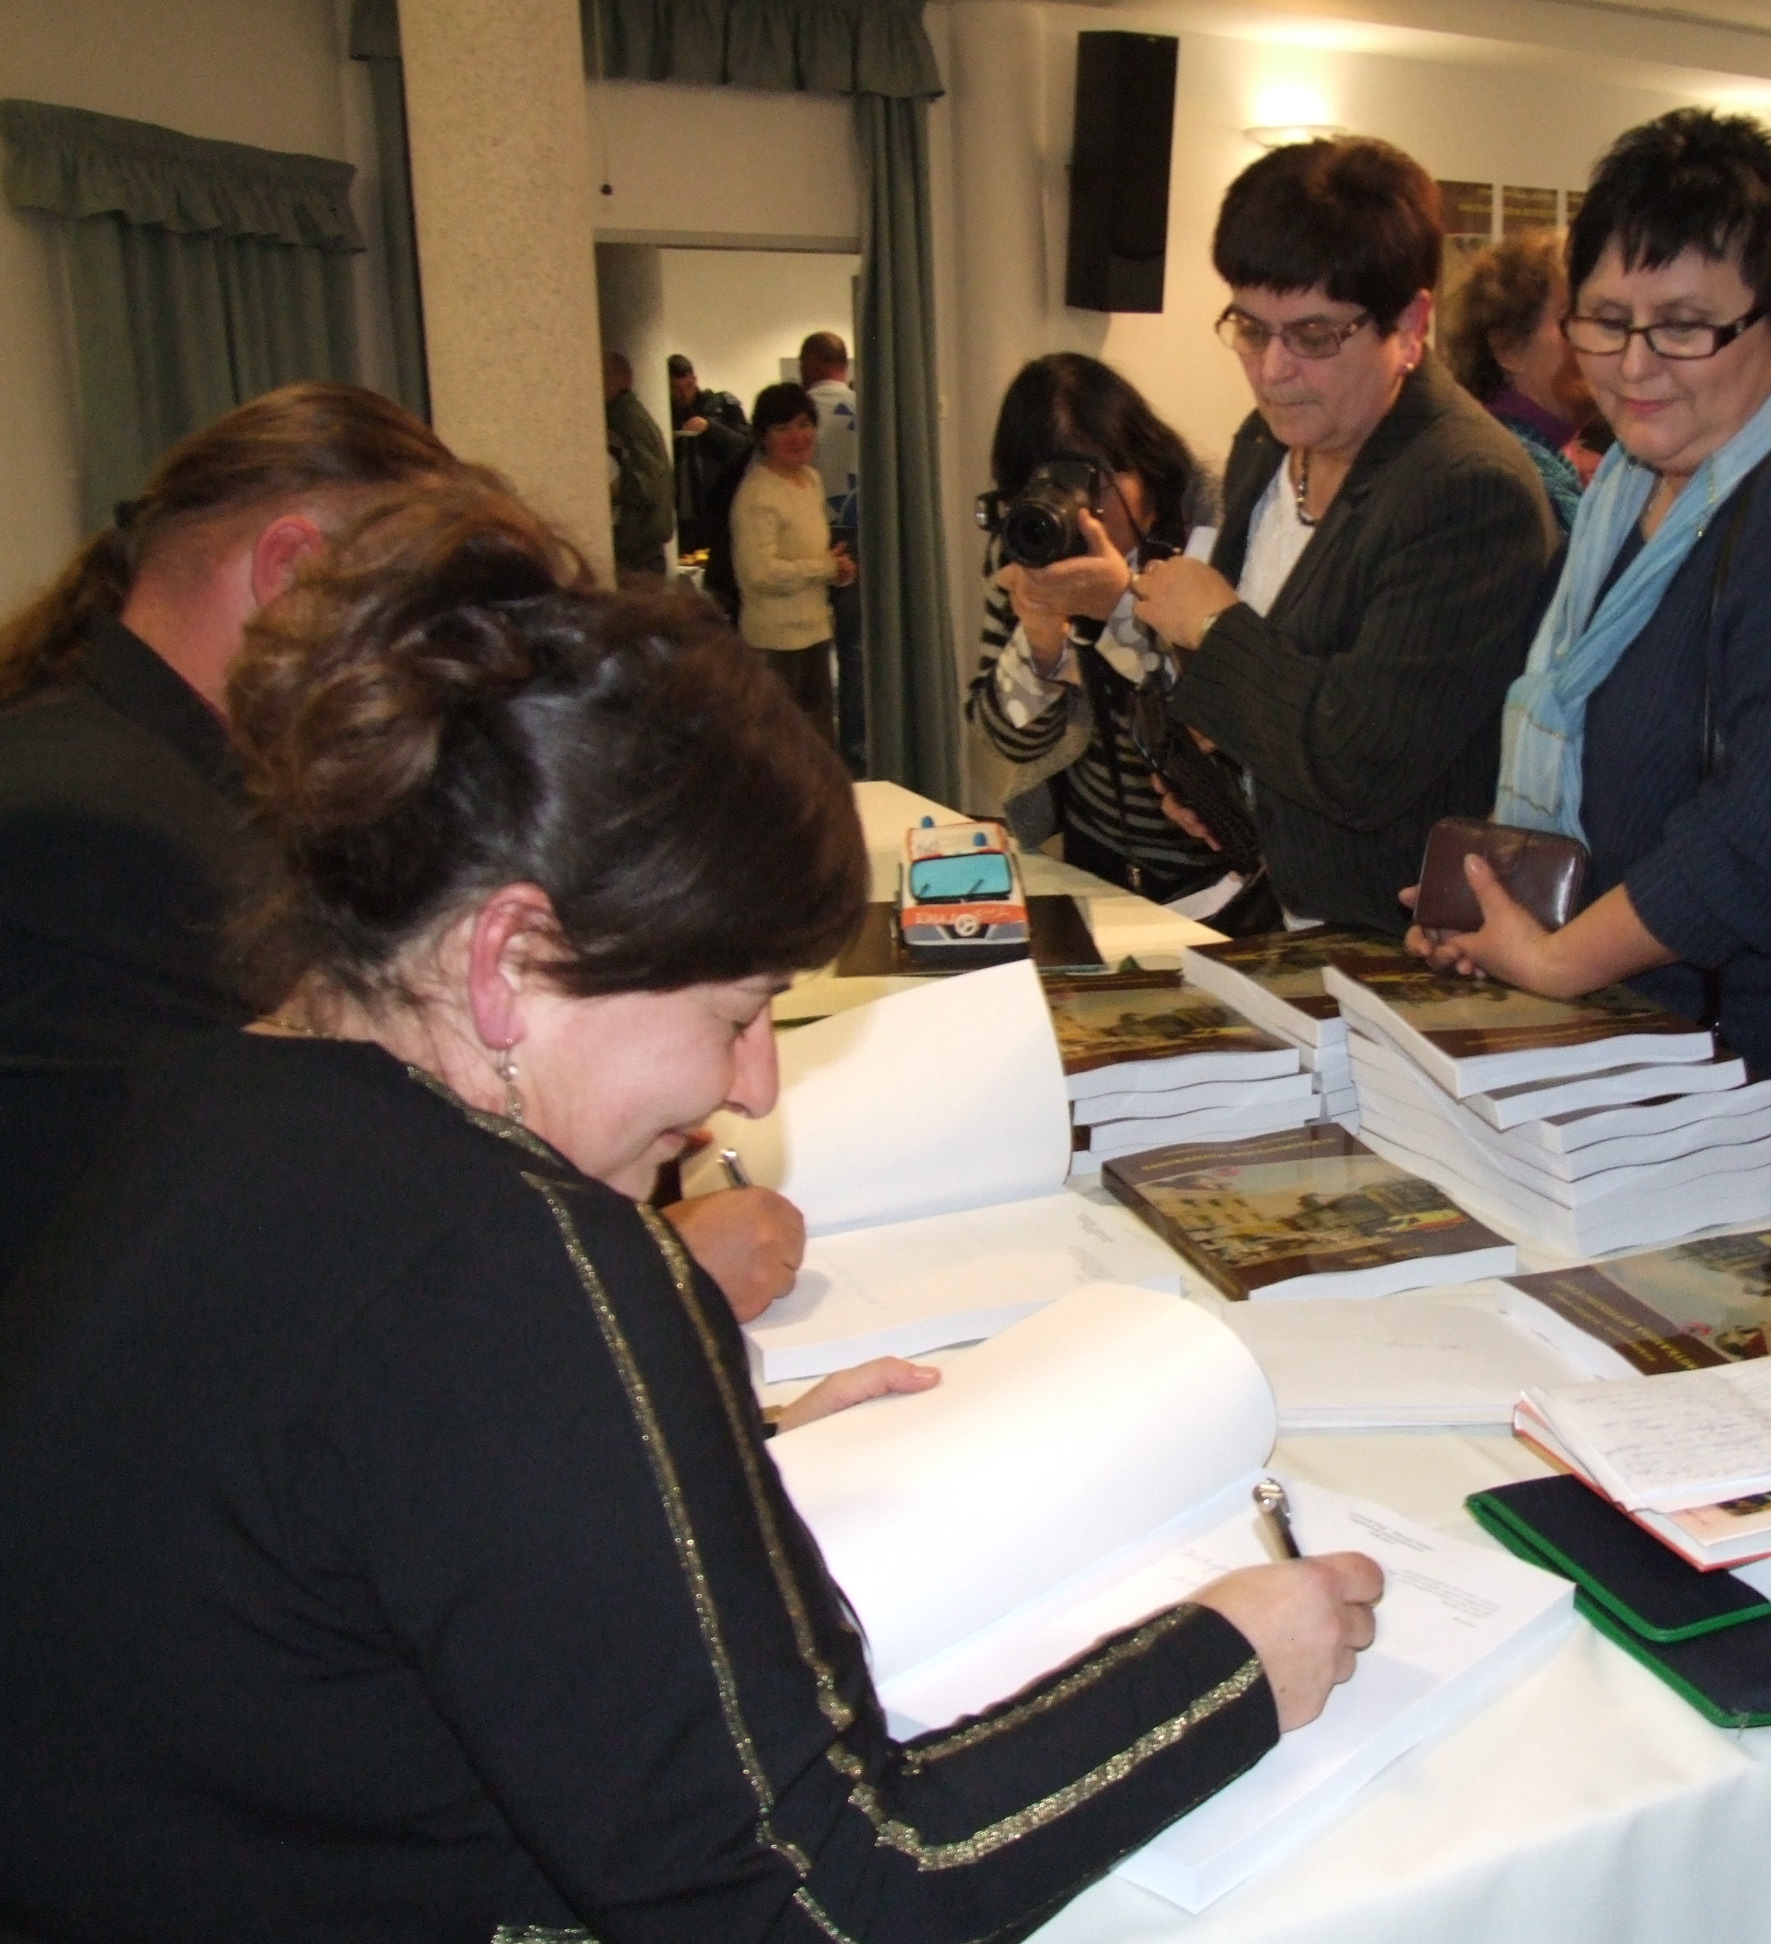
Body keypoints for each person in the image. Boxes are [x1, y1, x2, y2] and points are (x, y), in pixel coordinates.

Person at [0, 480, 1383, 1941]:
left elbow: (361, 1502)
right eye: (734, 1010)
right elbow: (827, 1897)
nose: (755, 1082)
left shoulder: (209, 1106)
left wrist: (694, 1450)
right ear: (508, 962)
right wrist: (1227, 1665)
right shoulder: (514, 1262)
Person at [0, 384, 807, 1321]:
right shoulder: (84, 830)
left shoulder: (160, 774)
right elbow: (234, 1261)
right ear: (294, 574)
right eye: (432, 633)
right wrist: (650, 1272)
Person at [1403, 110, 1771, 1138]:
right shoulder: (1627, 491)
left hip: (1743, 1088)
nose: (1634, 365)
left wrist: (1554, 958)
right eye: (1606, 320)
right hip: (1608, 1058)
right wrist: (1490, 908)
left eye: (1685, 326)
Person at [1132, 137, 1558, 934]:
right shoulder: (1267, 444)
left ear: (1411, 324)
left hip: (1403, 943)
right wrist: (1213, 770)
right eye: (1250, 328)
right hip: (1283, 905)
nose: (1272, 370)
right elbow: (1273, 687)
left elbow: (1358, 763)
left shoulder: (1466, 489)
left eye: (1314, 336)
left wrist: (1215, 627)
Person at [964, 354, 1237, 909]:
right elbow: (1003, 739)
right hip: (1095, 860)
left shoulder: (1216, 542)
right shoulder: (1028, 548)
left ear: (1148, 470)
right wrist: (1041, 643)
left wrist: (1119, 609)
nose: (1077, 512)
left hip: (1218, 873)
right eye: (1043, 486)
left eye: (1088, 483)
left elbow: (1221, 726)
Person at [1438, 228, 1600, 530]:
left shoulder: (1545, 460)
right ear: (1507, 346)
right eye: (1572, 319)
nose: (1596, 339)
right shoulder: (1499, 479)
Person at [731, 380, 854, 752]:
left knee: (820, 746)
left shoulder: (811, 480)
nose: (798, 437)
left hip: (814, 632)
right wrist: (824, 568)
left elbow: (810, 554)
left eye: (804, 424)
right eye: (783, 428)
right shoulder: (758, 493)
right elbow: (759, 573)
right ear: (763, 436)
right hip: (774, 642)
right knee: (782, 751)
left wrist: (837, 569)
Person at [801, 328, 867, 775]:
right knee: (854, 648)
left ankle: (813, 751)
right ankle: (857, 750)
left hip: (808, 533)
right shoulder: (867, 410)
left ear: (811, 364)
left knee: (809, 646)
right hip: (859, 533)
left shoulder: (801, 414)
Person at [667, 351, 751, 559]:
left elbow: (747, 444)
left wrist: (711, 428)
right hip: (682, 511)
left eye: (688, 386)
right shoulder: (664, 413)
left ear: (695, 379)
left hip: (719, 506)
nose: (683, 394)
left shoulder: (722, 407)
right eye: (676, 389)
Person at [601, 350, 674, 580]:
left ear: (624, 379)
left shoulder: (629, 420)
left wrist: (611, 489)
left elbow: (648, 483)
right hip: (639, 546)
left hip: (638, 549)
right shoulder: (623, 416)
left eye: (603, 374)